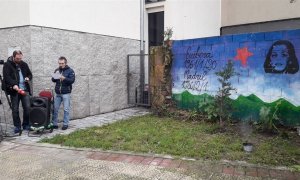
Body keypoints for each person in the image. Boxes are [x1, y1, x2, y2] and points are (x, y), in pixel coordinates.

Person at [2, 50, 32, 133]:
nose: (19, 60)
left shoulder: (24, 64)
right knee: (15, 109)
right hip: (14, 91)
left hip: (24, 89)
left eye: (20, 58)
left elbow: (30, 74)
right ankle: (17, 126)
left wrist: (28, 78)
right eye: (17, 58)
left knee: (27, 108)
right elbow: (7, 77)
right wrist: (13, 84)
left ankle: (25, 125)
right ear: (13, 57)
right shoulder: (7, 65)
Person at [51, 56, 75, 130]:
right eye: (59, 63)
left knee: (66, 109)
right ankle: (54, 123)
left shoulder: (70, 71)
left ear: (65, 63)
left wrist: (64, 78)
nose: (61, 65)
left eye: (62, 63)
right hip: (58, 93)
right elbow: (53, 80)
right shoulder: (57, 70)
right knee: (55, 108)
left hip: (66, 93)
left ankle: (65, 124)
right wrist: (55, 76)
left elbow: (72, 80)